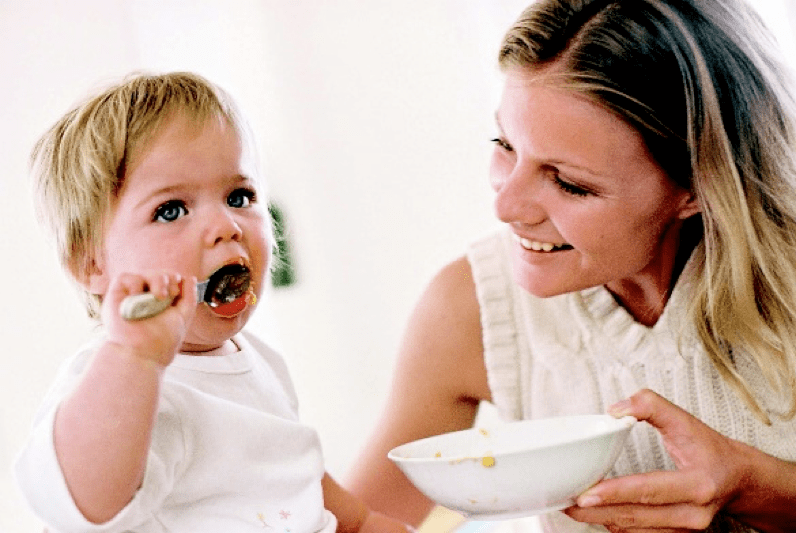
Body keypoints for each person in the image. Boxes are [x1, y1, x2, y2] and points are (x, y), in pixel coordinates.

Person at [346, 0, 796, 531]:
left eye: (569, 182)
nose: (505, 207)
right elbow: (360, 520)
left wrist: (755, 487)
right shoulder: (470, 307)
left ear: (698, 187)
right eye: (505, 145)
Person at [14, 72, 411, 533]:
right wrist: (134, 357)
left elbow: (292, 479)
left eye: (239, 196)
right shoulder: (120, 383)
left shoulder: (260, 362)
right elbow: (79, 501)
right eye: (172, 210)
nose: (226, 225)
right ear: (91, 264)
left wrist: (364, 524)